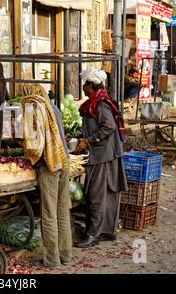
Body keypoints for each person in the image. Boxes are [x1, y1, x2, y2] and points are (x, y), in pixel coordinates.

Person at [74, 69, 128, 248]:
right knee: (104, 194)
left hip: (104, 155)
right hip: (105, 153)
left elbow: (109, 126)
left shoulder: (101, 103)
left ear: (91, 86)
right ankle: (105, 231)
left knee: (96, 194)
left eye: (84, 84)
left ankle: (93, 235)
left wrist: (88, 140)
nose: (82, 87)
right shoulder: (96, 101)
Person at [21, 84, 72, 268]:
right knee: (62, 211)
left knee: (49, 214)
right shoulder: (53, 107)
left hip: (49, 165)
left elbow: (34, 146)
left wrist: (26, 153)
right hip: (64, 161)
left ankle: (52, 260)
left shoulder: (32, 108)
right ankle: (65, 256)